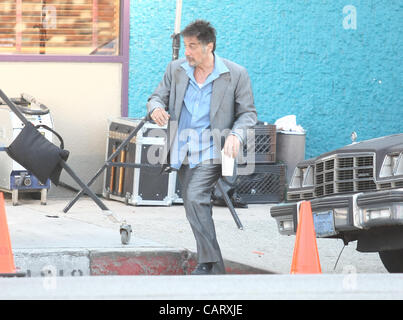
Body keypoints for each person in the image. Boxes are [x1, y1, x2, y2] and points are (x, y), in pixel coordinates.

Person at [147, 20, 257, 275]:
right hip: (182, 150)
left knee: (195, 198)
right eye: (186, 46)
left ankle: (208, 264)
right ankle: (213, 267)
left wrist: (237, 135)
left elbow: (248, 114)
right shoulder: (176, 69)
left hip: (213, 150)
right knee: (193, 204)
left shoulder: (235, 74)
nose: (187, 51)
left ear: (210, 46)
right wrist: (155, 108)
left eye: (193, 46)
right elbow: (156, 96)